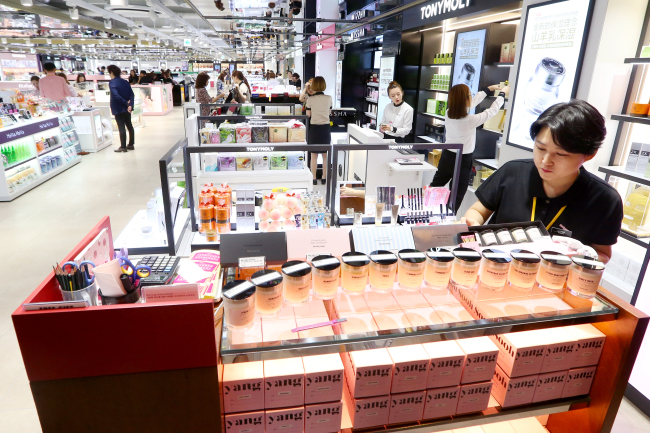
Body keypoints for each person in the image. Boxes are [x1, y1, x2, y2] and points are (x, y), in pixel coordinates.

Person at [461, 100, 623, 263]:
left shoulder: (605, 200)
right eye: (540, 148)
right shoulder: (512, 172)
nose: (545, 161)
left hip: (554, 280)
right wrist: (472, 222)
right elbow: (478, 211)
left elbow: (603, 254)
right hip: (497, 270)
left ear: (589, 154)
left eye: (561, 154)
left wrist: (584, 254)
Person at [429, 83, 506, 211]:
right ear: (465, 100)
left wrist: (487, 90)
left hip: (447, 156)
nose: (472, 97)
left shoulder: (448, 113)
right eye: (470, 95)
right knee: (456, 195)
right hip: (462, 160)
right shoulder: (470, 120)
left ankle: (426, 213)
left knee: (436, 186)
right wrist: (502, 95)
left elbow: (470, 103)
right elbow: (491, 112)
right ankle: (446, 223)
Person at [305, 76, 332, 185]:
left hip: (314, 128)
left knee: (314, 155)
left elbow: (308, 115)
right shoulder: (329, 98)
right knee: (325, 155)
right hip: (325, 128)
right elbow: (329, 112)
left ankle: (314, 178)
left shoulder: (310, 99)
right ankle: (324, 178)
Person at [107, 65, 135, 153]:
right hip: (127, 108)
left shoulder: (112, 82)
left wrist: (126, 103)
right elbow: (132, 94)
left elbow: (116, 96)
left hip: (118, 107)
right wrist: (130, 104)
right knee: (129, 125)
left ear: (111, 72)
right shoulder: (125, 82)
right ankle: (131, 144)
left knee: (121, 126)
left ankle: (123, 146)